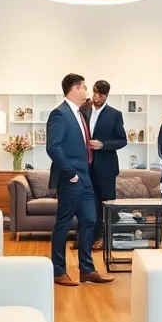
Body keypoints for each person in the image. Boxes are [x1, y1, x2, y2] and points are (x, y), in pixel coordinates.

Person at [47, 73, 113, 287]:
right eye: (84, 88)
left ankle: (87, 269)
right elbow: (53, 147)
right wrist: (71, 173)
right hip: (71, 178)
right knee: (64, 223)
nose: (87, 92)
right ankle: (58, 271)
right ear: (75, 89)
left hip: (86, 178)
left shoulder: (80, 113)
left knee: (90, 221)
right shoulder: (59, 114)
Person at [86, 79, 127, 251]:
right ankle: (88, 238)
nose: (96, 97)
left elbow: (122, 140)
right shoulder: (83, 109)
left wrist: (103, 145)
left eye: (100, 95)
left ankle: (106, 237)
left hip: (106, 167)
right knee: (88, 203)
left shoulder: (115, 114)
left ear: (106, 96)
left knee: (107, 204)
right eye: (95, 93)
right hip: (86, 165)